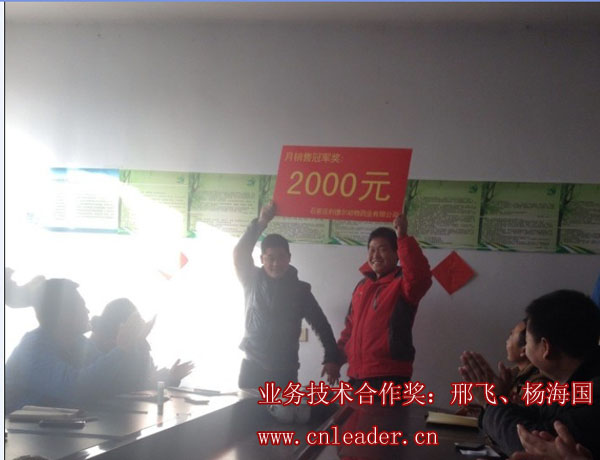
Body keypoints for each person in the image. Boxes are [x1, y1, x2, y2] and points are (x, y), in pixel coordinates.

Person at [463, 290, 600, 458]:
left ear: (545, 347)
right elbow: (536, 417)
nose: (525, 350)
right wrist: (498, 401)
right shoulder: (570, 385)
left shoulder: (594, 393)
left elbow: (529, 443)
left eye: (527, 342)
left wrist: (491, 400)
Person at [233, 201, 340, 389]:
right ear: (262, 259)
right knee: (245, 409)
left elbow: (321, 324)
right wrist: (261, 222)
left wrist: (332, 357)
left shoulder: (300, 290)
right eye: (270, 258)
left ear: (289, 258)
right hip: (252, 368)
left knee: (284, 411)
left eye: (281, 257)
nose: (276, 263)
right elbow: (240, 253)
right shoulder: (251, 279)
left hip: (285, 372)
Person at [5, 279, 153, 413]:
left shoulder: (79, 342)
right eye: (82, 306)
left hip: (55, 427)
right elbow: (75, 390)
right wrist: (121, 349)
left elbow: (113, 380)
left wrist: (135, 344)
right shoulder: (33, 348)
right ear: (64, 315)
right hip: (17, 430)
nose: (88, 311)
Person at [325, 213, 432, 389]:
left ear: (397, 253)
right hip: (357, 376)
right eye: (372, 249)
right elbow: (350, 329)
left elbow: (420, 276)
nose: (376, 255)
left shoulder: (402, 284)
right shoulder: (362, 287)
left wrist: (403, 237)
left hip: (389, 377)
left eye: (383, 249)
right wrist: (336, 360)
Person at [88, 298, 194, 389]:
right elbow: (122, 386)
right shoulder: (94, 349)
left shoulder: (139, 344)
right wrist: (133, 345)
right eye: (133, 323)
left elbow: (146, 383)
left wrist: (171, 377)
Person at [458, 319, 550, 415]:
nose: (507, 341)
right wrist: (485, 410)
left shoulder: (538, 383)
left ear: (524, 349)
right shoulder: (513, 377)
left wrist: (492, 404)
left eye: (511, 335)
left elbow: (519, 420)